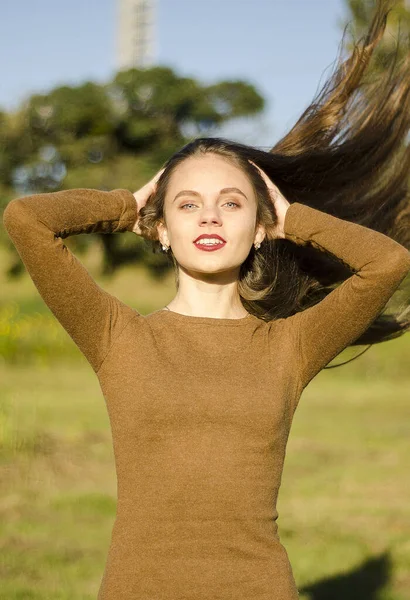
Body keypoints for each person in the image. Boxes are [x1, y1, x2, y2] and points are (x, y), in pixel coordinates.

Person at [3, 1, 410, 599]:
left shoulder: (290, 346)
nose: (210, 215)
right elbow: (25, 220)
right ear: (161, 228)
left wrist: (295, 219)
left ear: (259, 227)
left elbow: (389, 264)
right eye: (187, 204)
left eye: (232, 202)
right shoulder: (120, 336)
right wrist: (122, 207)